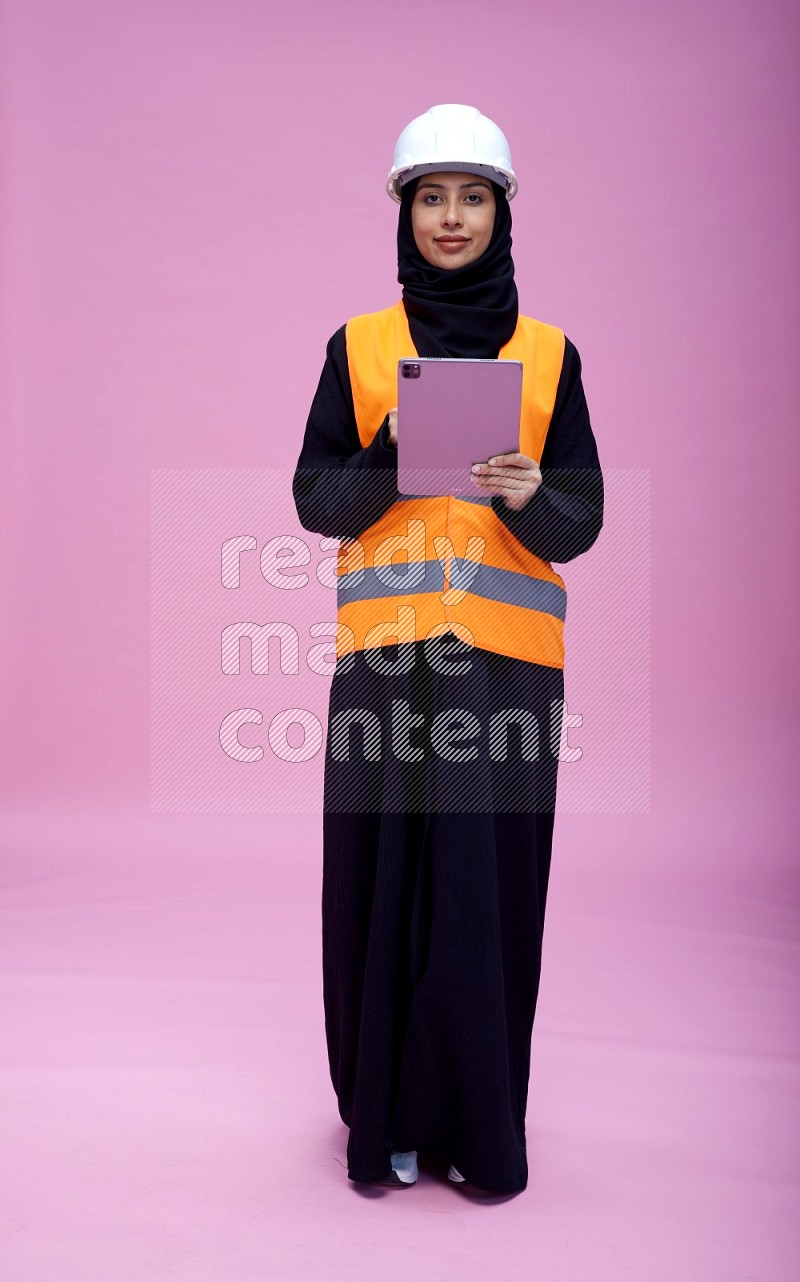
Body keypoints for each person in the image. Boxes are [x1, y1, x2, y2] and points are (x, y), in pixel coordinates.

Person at [292, 104, 603, 1194]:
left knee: (483, 898)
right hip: (384, 664)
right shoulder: (360, 347)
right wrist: (385, 454)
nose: (452, 217)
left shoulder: (551, 356)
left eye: (473, 195)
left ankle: (481, 1129)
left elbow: (582, 520)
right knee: (377, 888)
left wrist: (529, 494)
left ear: (501, 210)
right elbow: (315, 501)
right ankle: (382, 1125)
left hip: (505, 675)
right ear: (403, 212)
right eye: (431, 196)